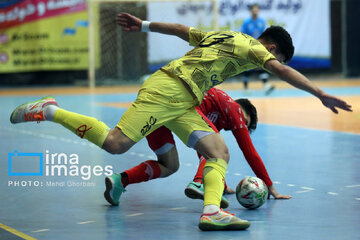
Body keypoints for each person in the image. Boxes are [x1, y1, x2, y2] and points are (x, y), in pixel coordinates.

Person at [10, 12, 352, 231]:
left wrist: (143, 25)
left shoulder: (223, 35)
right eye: (275, 56)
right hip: (168, 89)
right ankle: (51, 110)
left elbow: (178, 29)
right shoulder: (254, 48)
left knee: (217, 151)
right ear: (273, 47)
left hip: (185, 99)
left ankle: (211, 212)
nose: (271, 62)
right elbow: (279, 69)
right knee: (115, 144)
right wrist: (319, 93)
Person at [116, 87, 291, 211]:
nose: (242, 127)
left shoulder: (217, 115)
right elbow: (250, 153)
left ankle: (120, 180)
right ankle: (199, 183)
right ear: (241, 111)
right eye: (245, 122)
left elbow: (204, 150)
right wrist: (270, 187)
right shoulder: (234, 109)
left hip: (157, 111)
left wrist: (221, 184)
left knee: (169, 165)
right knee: (217, 152)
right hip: (174, 106)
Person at [241, 3, 275, 94]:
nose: (255, 12)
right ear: (251, 11)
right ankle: (246, 88)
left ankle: (266, 86)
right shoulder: (247, 22)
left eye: (256, 10)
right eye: (253, 10)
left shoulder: (261, 22)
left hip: (259, 48)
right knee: (248, 68)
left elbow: (265, 34)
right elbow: (242, 35)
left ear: (258, 11)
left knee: (262, 66)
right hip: (249, 48)